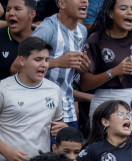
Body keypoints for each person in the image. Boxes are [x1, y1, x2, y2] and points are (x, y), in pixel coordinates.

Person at [0, 37, 65, 161]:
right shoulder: (3, 89)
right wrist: (6, 150)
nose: (44, 64)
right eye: (38, 59)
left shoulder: (54, 89)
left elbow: (59, 124)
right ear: (22, 60)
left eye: (47, 60)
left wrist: (61, 129)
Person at [79, 0, 132, 116]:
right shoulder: (96, 39)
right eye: (123, 9)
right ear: (111, 13)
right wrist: (113, 72)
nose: (130, 13)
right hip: (104, 102)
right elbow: (84, 84)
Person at [30, 0, 89, 132]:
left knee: (70, 152)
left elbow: (67, 75)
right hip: (42, 112)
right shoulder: (47, 29)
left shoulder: (82, 31)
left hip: (69, 111)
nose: (85, 1)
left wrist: (81, 68)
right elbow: (19, 66)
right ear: (61, 4)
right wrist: (57, 62)